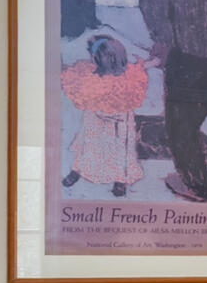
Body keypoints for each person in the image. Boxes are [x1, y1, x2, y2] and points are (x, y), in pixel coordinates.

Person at [141, 0, 207, 203]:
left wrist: (162, 41)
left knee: (182, 128)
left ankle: (198, 186)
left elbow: (154, 6)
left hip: (189, 56)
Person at [59, 34, 148, 197]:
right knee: (88, 146)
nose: (90, 58)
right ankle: (77, 171)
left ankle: (120, 180)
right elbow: (70, 77)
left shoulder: (128, 76)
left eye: (92, 56)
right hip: (95, 121)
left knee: (120, 151)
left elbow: (142, 69)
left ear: (98, 59)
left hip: (119, 124)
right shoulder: (88, 74)